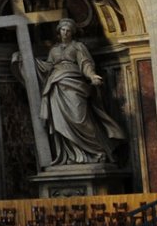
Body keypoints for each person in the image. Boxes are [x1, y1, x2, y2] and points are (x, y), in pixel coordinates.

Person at [18, 18, 123, 165]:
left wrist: (92, 76)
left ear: (72, 33)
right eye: (63, 30)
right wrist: (28, 61)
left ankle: (96, 150)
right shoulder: (54, 50)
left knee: (80, 118)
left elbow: (86, 63)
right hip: (56, 86)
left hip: (74, 84)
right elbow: (47, 67)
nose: (65, 33)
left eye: (68, 30)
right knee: (61, 122)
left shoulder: (78, 46)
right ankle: (70, 155)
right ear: (59, 31)